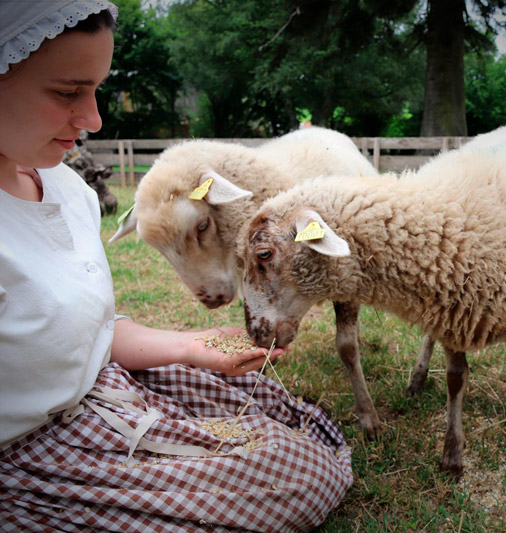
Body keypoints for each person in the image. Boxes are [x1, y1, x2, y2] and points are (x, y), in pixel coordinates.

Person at [0, 2, 352, 531]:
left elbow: (84, 333)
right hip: (34, 447)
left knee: (279, 414)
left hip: (105, 390)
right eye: (68, 92)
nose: (94, 118)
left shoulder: (68, 190)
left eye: (97, 89)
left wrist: (189, 347)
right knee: (295, 479)